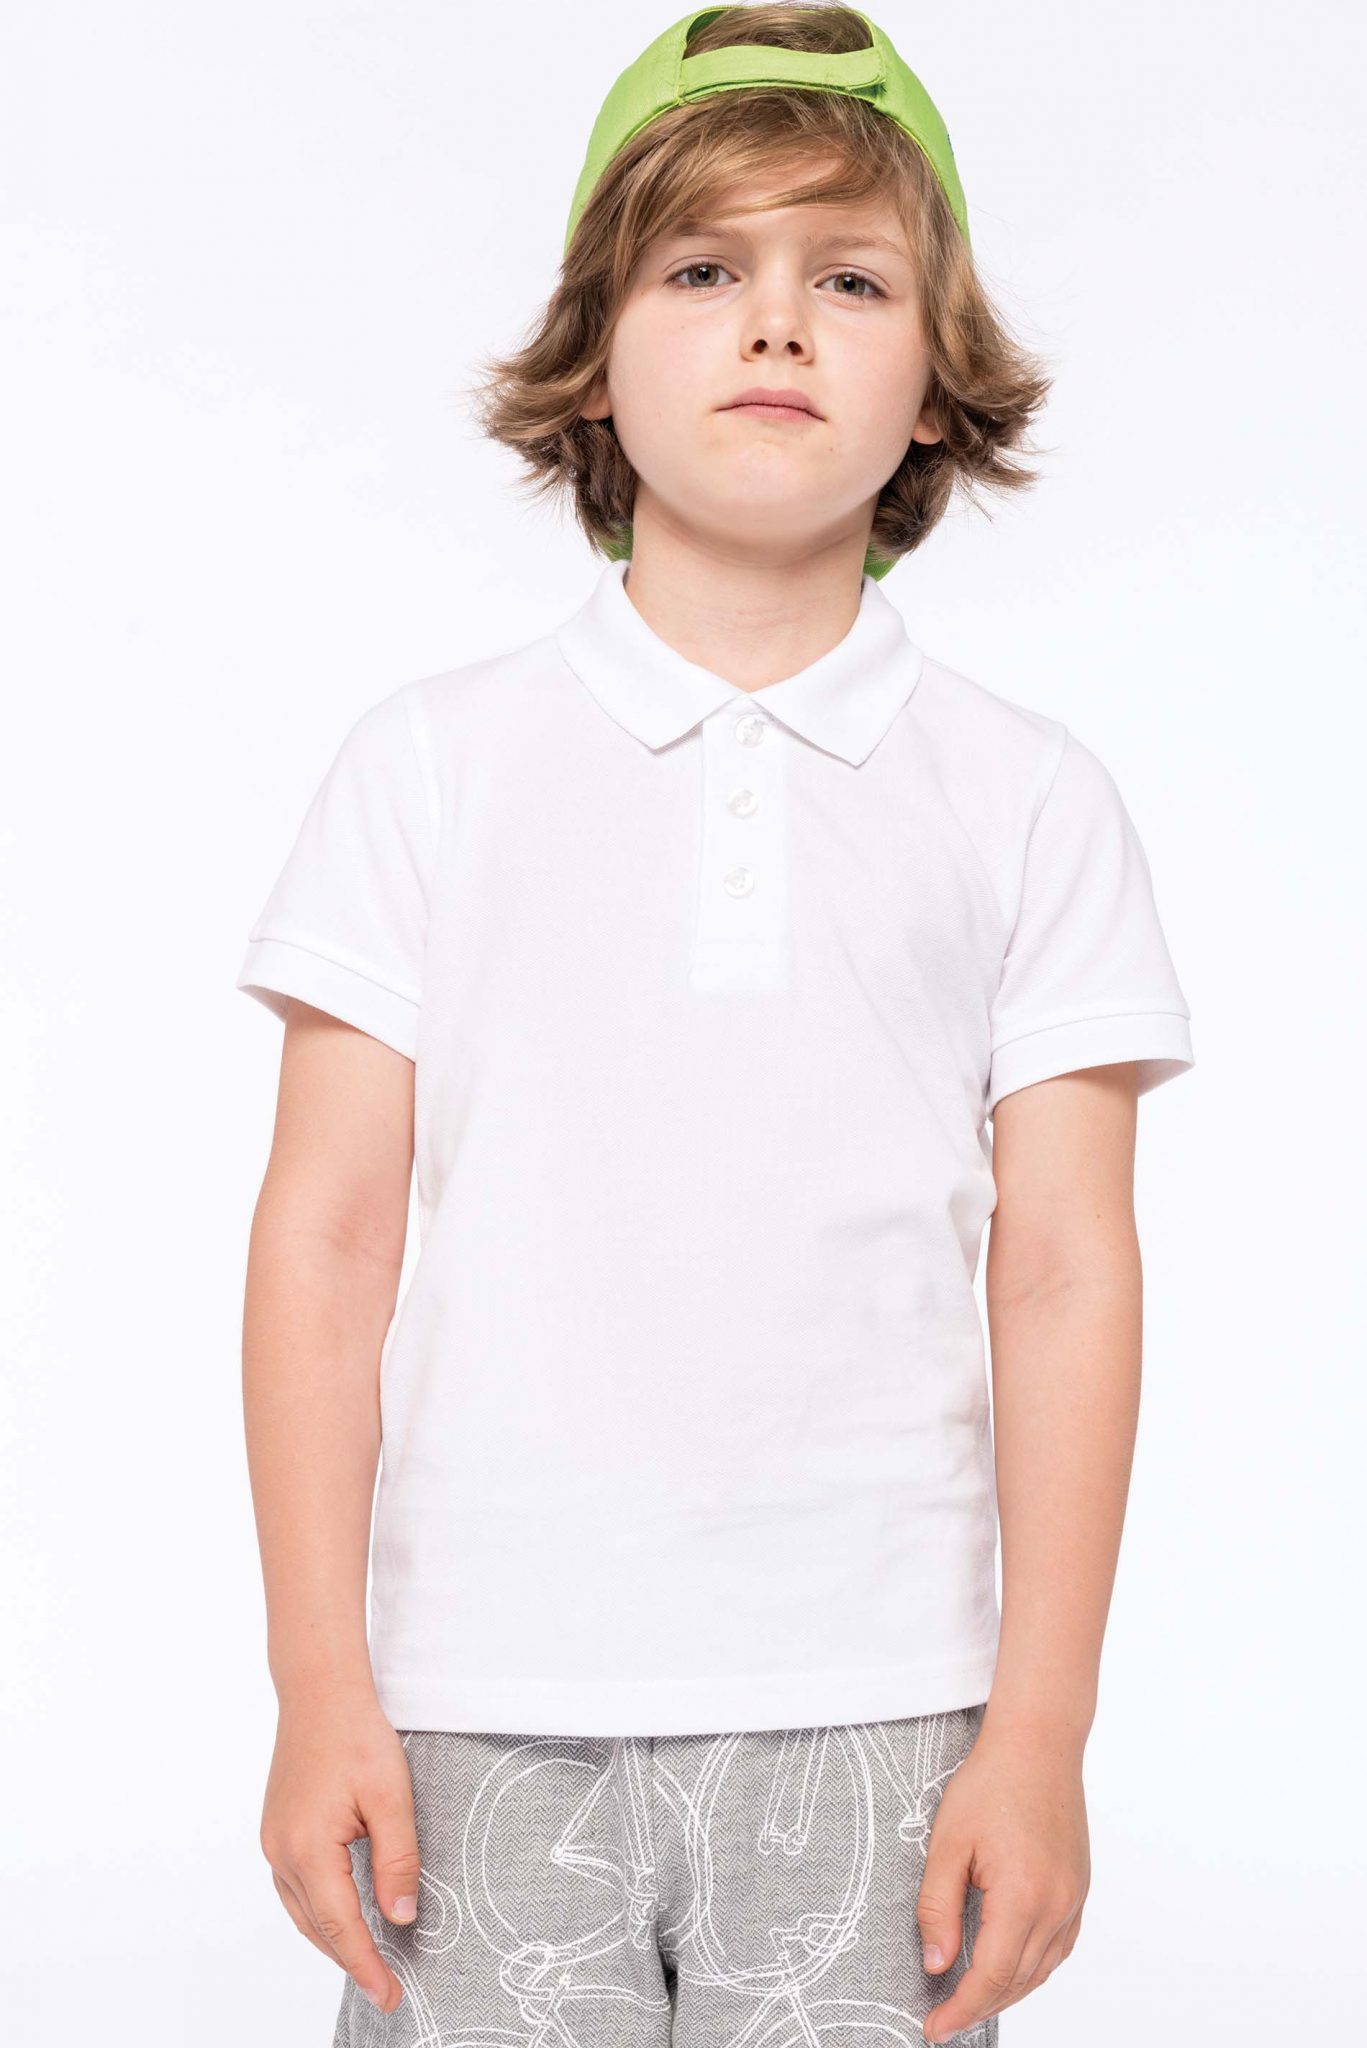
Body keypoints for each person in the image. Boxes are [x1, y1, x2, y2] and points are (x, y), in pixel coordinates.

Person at [236, 8, 1195, 2044]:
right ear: (596, 355)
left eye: (850, 280)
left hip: (887, 1704)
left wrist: (1041, 1733)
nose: (776, 322)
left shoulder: (1028, 795)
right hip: (475, 1702)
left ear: (934, 381)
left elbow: (1065, 1267)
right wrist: (319, 1684)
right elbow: (326, 1239)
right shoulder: (428, 768)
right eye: (701, 269)